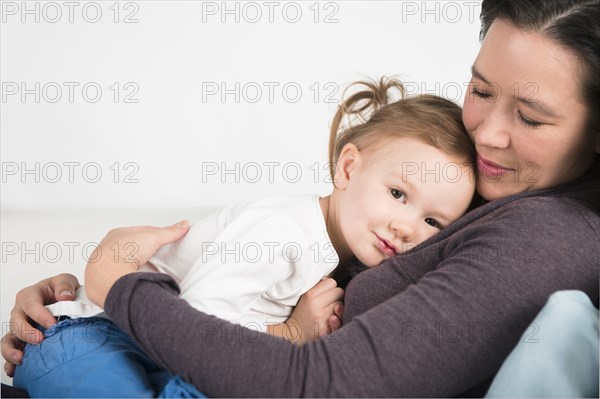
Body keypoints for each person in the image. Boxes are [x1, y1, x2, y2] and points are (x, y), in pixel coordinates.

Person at [3, 0, 600, 396]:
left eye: (531, 117)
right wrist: (80, 310)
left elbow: (316, 383)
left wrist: (118, 284)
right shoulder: (491, 186)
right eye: (479, 89)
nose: (487, 134)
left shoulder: (551, 236)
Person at [6, 78, 477, 398]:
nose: (407, 226)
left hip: (134, 346)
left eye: (434, 223)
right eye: (398, 193)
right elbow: (192, 323)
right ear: (348, 168)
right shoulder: (286, 232)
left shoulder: (338, 252)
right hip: (88, 335)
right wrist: (288, 334)